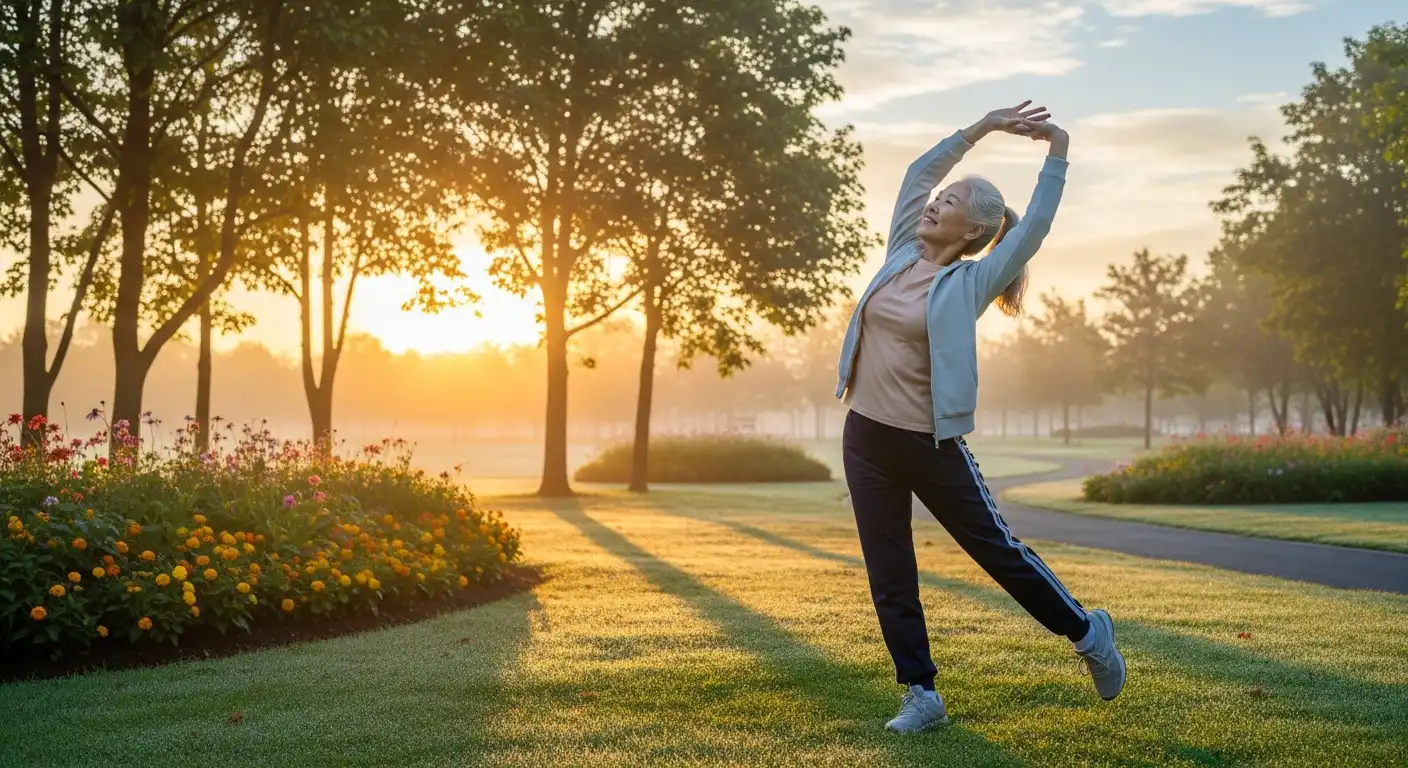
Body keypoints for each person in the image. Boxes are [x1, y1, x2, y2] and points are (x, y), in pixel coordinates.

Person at [834, 101, 1126, 734]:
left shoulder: (972, 282)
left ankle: (1087, 632)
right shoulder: (900, 253)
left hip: (929, 443)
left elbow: (1035, 226)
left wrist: (1058, 149)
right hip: (866, 435)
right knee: (889, 570)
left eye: (950, 201)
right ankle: (921, 694)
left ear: (972, 230)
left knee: (996, 551)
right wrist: (982, 128)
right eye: (939, 197)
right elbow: (917, 173)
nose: (934, 202)